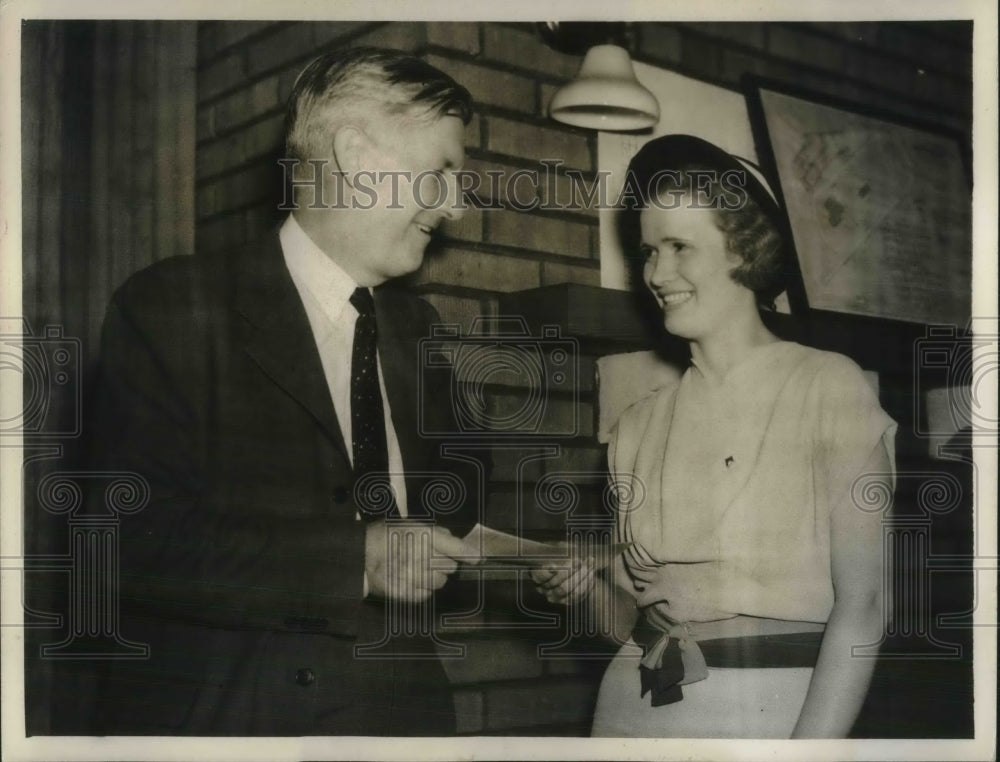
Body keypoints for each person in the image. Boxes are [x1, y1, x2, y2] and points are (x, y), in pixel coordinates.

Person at [89, 47, 481, 736]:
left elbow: (450, 506)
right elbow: (127, 542)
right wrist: (356, 556)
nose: (455, 206)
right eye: (443, 171)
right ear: (357, 155)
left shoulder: (416, 330)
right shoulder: (174, 307)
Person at [533, 134, 896, 738]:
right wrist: (583, 590)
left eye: (679, 247)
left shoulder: (827, 388)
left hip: (770, 716)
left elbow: (863, 610)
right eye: (649, 251)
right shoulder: (635, 426)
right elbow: (631, 622)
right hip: (630, 710)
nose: (657, 272)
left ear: (744, 250)